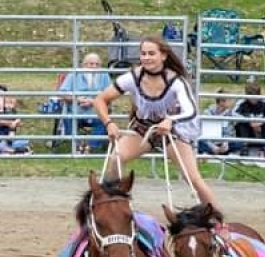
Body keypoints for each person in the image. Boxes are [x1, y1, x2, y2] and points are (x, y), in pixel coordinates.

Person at [93, 36, 220, 209]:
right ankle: (110, 205)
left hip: (171, 132)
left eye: (151, 53)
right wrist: (109, 123)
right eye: (143, 54)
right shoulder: (133, 77)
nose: (146, 58)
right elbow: (100, 100)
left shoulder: (175, 81)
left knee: (193, 178)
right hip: (142, 130)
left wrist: (170, 121)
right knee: (116, 159)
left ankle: (217, 221)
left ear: (163, 56)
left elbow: (191, 110)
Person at [58, 52, 111, 153]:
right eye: (91, 64)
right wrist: (77, 99)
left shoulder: (104, 75)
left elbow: (110, 95)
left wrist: (94, 102)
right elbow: (62, 94)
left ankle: (90, 148)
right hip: (76, 112)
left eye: (97, 64)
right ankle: (77, 147)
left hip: (96, 112)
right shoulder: (74, 74)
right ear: (84, 65)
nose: (94, 67)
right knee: (68, 118)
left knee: (104, 120)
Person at [231, 80, 265, 156]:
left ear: (259, 94)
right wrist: (249, 121)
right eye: (250, 97)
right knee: (241, 124)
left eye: (255, 97)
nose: (253, 100)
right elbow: (233, 113)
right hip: (248, 134)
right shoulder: (242, 101)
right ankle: (244, 146)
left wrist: (261, 122)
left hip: (262, 133)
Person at [0, 85, 32, 154]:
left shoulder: (9, 108)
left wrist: (15, 122)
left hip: (8, 139)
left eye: (1, 94)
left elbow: (19, 122)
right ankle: (12, 151)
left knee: (25, 140)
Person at [198, 90, 237, 156]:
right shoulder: (207, 113)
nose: (231, 102)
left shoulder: (229, 113)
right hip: (209, 141)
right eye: (229, 100)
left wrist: (226, 142)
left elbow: (228, 132)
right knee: (199, 143)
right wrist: (213, 147)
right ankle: (215, 151)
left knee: (238, 143)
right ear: (222, 102)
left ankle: (218, 151)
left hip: (221, 141)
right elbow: (203, 134)